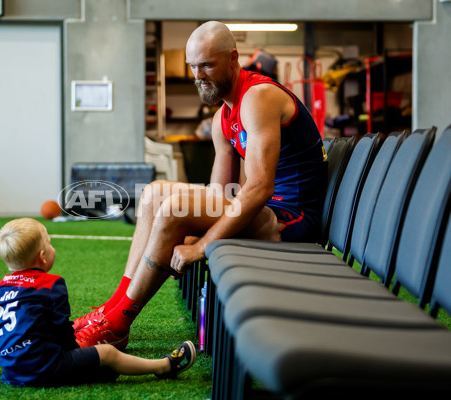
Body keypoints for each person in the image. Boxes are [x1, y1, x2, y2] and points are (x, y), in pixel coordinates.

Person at [74, 21, 327, 349]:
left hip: (291, 219)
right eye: (193, 66)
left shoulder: (259, 97)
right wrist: (196, 226)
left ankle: (119, 322)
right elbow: (218, 196)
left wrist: (203, 244)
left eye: (207, 64)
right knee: (154, 194)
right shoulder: (223, 118)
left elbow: (260, 187)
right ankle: (113, 308)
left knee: (173, 210)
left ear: (233, 59)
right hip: (264, 211)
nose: (198, 75)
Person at [0, 218, 196, 387]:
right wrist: (77, 356)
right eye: (49, 243)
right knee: (107, 353)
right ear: (42, 257)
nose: (51, 247)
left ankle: (100, 372)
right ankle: (163, 367)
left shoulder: (1, 288)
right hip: (44, 367)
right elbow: (61, 330)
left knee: (102, 366)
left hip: (12, 373)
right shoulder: (50, 284)